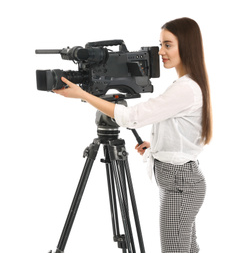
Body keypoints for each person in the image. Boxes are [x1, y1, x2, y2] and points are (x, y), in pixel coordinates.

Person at [53, 17, 212, 253]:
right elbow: (183, 130)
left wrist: (83, 95)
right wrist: (156, 146)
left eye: (168, 45)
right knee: (186, 249)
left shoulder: (185, 88)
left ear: (186, 46)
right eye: (161, 44)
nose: (160, 52)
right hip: (182, 181)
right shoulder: (188, 84)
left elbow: (131, 117)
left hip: (180, 185)